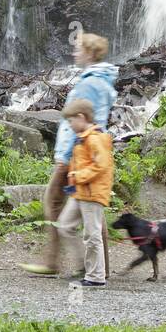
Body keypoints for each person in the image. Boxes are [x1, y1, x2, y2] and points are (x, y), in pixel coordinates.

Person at [21, 31, 117, 278]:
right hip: (84, 151)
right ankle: (96, 265)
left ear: (89, 53)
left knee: (55, 201)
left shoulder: (89, 83)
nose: (74, 53)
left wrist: (66, 155)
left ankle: (60, 263)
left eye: (78, 49)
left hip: (76, 153)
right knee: (90, 204)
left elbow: (80, 120)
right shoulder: (102, 81)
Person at [53, 98, 114, 287]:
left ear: (81, 117)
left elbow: (101, 166)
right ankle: (86, 266)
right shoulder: (82, 138)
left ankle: (96, 277)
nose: (70, 125)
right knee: (64, 225)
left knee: (92, 234)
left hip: (92, 193)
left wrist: (77, 175)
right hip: (79, 192)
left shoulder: (95, 138)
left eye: (71, 121)